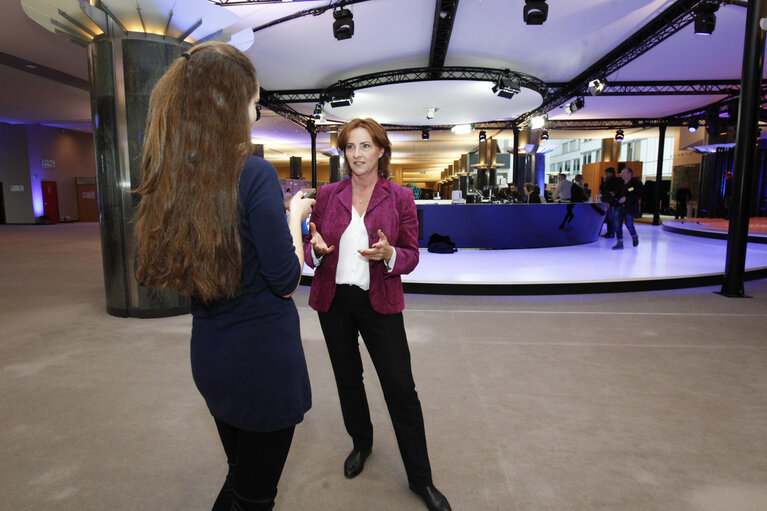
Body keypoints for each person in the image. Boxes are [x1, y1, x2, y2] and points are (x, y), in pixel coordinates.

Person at [133, 42, 314, 511]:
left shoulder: (173, 180)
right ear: (230, 103)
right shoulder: (253, 174)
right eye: (254, 102)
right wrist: (293, 217)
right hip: (262, 366)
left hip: (212, 359)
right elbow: (285, 279)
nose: (255, 114)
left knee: (240, 480)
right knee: (255, 496)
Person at [304, 118, 451, 511]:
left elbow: (412, 254)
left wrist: (390, 256)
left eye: (365, 146)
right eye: (350, 147)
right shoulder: (329, 194)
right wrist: (315, 250)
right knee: (348, 380)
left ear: (381, 150)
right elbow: (311, 246)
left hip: (380, 299)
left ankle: (422, 480)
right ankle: (361, 443)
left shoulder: (400, 197)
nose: (357, 155)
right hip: (333, 301)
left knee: (401, 389)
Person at [612, 167, 643, 250]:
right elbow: (617, 193)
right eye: (621, 173)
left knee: (629, 224)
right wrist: (613, 195)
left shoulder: (637, 184)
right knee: (617, 224)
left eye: (623, 173)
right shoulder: (619, 183)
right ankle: (620, 242)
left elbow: (638, 195)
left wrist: (626, 198)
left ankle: (634, 236)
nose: (622, 174)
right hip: (619, 206)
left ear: (629, 174)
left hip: (630, 207)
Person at [599, 167, 620, 238]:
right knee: (608, 217)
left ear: (611, 173)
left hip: (611, 201)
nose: (606, 174)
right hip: (607, 200)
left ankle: (612, 233)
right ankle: (609, 232)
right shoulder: (607, 180)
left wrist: (612, 193)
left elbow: (615, 190)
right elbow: (601, 188)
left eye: (607, 173)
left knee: (611, 217)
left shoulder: (615, 180)